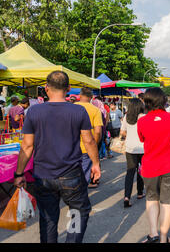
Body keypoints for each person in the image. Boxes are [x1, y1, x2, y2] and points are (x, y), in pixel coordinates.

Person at [14, 71, 100, 243]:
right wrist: (96, 164)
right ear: (68, 88)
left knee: (48, 218)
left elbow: (27, 145)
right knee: (78, 211)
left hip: (43, 175)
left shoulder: (33, 112)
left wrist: (19, 173)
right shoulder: (78, 111)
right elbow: (89, 141)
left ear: (46, 88)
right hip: (72, 174)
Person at [137, 87, 170, 243]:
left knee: (151, 199)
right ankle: (163, 238)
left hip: (150, 166)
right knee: (167, 203)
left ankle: (153, 234)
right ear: (164, 100)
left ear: (146, 101)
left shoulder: (142, 121)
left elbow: (142, 139)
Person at [120, 98, 145, 208]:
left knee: (130, 172)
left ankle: (127, 197)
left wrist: (129, 134)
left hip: (130, 148)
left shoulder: (126, 117)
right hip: (143, 148)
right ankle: (140, 193)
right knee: (141, 171)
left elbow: (122, 132)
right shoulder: (144, 117)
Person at [76, 88, 103, 188]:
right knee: (83, 177)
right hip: (87, 149)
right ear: (91, 98)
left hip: (71, 148)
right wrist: (95, 145)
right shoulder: (95, 110)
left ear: (80, 95)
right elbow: (98, 131)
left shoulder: (72, 107)